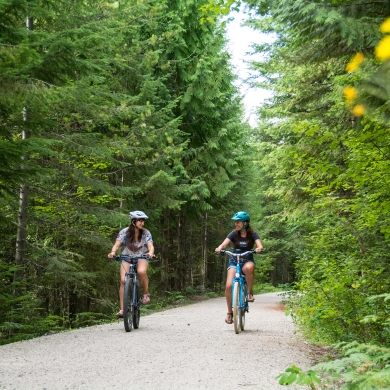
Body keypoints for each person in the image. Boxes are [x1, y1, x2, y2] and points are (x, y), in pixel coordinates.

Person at [215, 211, 263, 324]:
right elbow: (224, 244)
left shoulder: (253, 234)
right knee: (228, 285)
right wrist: (219, 248)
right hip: (234, 260)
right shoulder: (233, 234)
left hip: (247, 260)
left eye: (238, 222)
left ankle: (249, 293)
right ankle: (229, 313)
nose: (236, 224)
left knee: (250, 268)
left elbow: (259, 245)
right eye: (235, 222)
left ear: (245, 223)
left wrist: (259, 248)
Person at [108, 210, 154, 317]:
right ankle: (123, 310)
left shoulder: (146, 233)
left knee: (141, 271)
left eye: (143, 221)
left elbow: (151, 246)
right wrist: (113, 252)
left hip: (141, 257)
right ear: (133, 221)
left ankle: (146, 294)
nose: (142, 223)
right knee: (123, 280)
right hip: (126, 258)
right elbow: (117, 244)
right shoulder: (124, 232)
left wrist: (151, 253)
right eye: (140, 221)